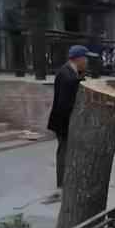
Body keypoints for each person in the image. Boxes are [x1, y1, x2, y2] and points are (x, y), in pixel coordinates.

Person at [47, 45, 97, 188]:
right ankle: (63, 183)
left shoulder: (71, 72)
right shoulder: (67, 75)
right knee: (64, 151)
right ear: (79, 59)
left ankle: (68, 180)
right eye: (86, 58)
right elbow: (65, 103)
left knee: (68, 150)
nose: (87, 61)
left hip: (65, 120)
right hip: (63, 122)